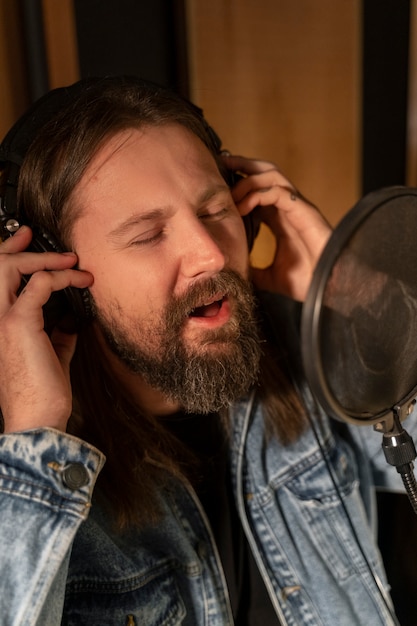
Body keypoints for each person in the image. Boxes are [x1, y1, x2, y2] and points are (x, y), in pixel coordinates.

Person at [0, 75, 404, 625]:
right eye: (147, 235)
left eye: (216, 211)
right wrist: (34, 438)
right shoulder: (24, 466)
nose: (210, 254)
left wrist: (357, 300)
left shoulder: (307, 360)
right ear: (59, 280)